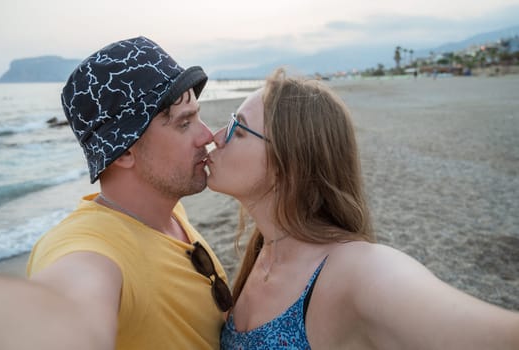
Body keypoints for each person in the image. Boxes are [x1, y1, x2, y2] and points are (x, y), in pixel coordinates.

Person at [206, 68, 519, 349]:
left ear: (290, 165)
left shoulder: (354, 271)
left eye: (239, 129)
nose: (218, 136)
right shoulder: (263, 247)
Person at [0, 36, 232, 350]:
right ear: (123, 153)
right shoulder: (90, 247)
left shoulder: (167, 212)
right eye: (184, 123)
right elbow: (72, 301)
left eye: (197, 115)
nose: (206, 135)